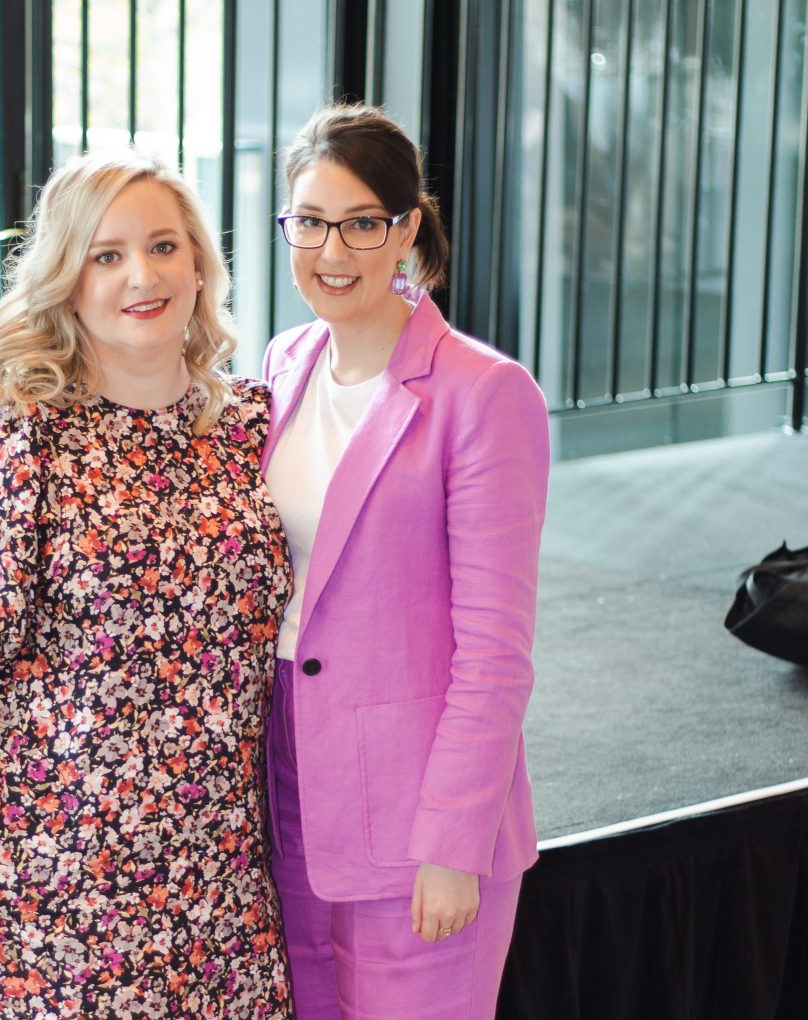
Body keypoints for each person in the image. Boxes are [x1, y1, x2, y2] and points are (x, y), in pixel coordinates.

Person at [0, 151, 294, 1019]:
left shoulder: (256, 425)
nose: (144, 274)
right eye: (107, 254)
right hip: (46, 885)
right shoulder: (7, 434)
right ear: (66, 276)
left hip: (219, 886)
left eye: (165, 245)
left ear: (201, 262)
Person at [261, 103, 550, 1019]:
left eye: (360, 223)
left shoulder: (485, 394)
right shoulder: (283, 364)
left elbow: (496, 651)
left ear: (407, 230)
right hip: (292, 785)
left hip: (420, 805)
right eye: (309, 221)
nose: (331, 251)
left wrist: (454, 842)